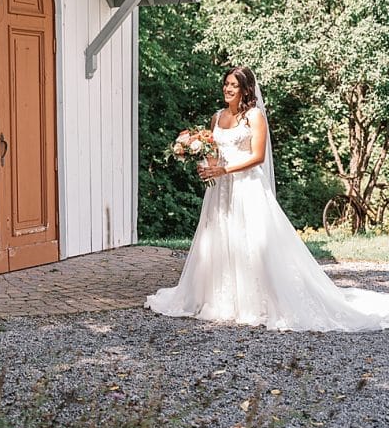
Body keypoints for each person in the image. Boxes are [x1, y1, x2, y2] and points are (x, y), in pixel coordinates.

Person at [145, 66, 389, 331]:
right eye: (226, 84)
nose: (228, 89)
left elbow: (257, 157)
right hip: (220, 190)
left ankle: (255, 302)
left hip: (246, 188)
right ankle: (218, 299)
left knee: (251, 241)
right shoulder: (217, 117)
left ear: (245, 89)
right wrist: (206, 166)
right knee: (218, 238)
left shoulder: (254, 117)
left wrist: (224, 169)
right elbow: (215, 152)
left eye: (234, 85)